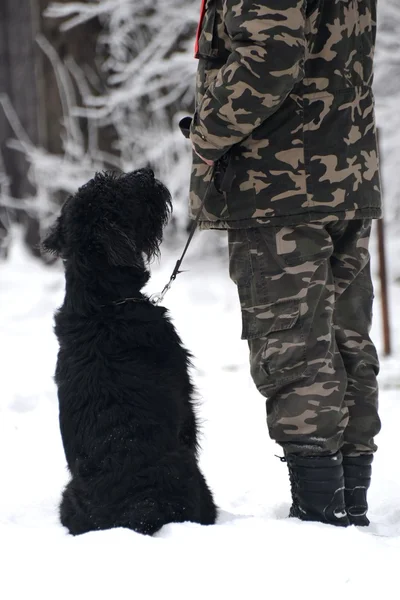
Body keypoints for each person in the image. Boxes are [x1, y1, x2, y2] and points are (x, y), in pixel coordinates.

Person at [184, 0, 381, 526]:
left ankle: (322, 517)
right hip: (345, 168)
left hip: (280, 183)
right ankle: (348, 506)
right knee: (345, 339)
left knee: (294, 344)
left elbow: (269, 53)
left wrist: (206, 135)